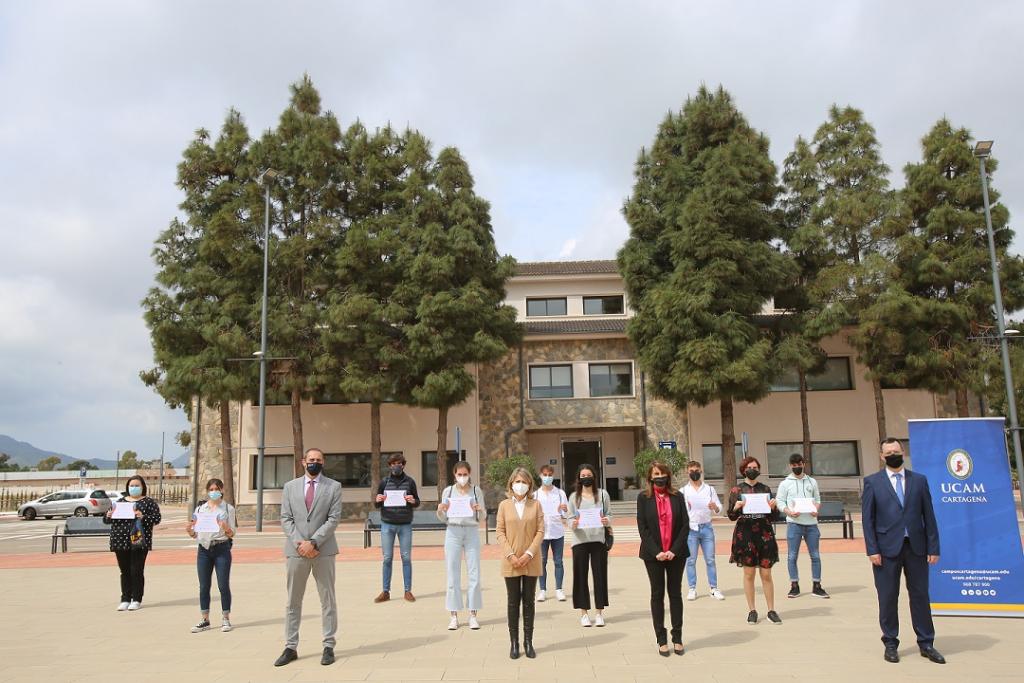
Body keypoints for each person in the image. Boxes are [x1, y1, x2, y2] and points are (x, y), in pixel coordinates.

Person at [862, 437, 944, 665]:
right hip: (885, 550)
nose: (893, 455)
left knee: (920, 596)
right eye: (888, 453)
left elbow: (929, 516)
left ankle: (926, 643)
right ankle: (890, 642)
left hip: (916, 548)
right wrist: (872, 549)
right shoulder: (872, 482)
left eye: (896, 451)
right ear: (882, 456)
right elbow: (868, 520)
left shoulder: (919, 480)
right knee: (888, 596)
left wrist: (933, 547)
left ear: (903, 452)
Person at [275, 448, 343, 668]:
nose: (315, 462)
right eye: (311, 459)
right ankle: (290, 646)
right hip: (296, 552)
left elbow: (333, 519)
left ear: (324, 462)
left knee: (328, 600)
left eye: (319, 460)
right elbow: (286, 518)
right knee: (293, 601)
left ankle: (328, 645)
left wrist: (313, 542)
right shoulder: (290, 487)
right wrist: (301, 543)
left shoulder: (333, 487)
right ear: (303, 462)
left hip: (323, 550)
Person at [637, 461, 690, 656]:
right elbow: (642, 527)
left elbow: (685, 525)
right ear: (650, 477)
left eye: (662, 474)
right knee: (657, 594)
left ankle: (677, 637)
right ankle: (661, 638)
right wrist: (656, 551)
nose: (659, 477)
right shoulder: (643, 498)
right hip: (654, 555)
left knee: (675, 594)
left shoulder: (677, 496)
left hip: (676, 554)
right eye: (656, 474)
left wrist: (674, 550)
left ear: (667, 476)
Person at [727, 455, 782, 625]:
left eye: (756, 468)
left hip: (764, 533)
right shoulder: (736, 490)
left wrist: (774, 508)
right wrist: (736, 507)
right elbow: (731, 516)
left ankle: (771, 610)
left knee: (766, 573)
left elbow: (773, 517)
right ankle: (752, 610)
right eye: (749, 468)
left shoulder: (765, 488)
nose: (753, 470)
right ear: (743, 470)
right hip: (745, 534)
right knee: (749, 573)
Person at [495, 467, 544, 659]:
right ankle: (514, 643)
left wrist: (529, 554)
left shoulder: (536, 505)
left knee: (529, 601)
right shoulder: (504, 505)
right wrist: (511, 555)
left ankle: (528, 642)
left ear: (529, 485)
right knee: (513, 602)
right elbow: (500, 532)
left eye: (524, 482)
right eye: (517, 481)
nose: (520, 485)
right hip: (511, 561)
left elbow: (540, 531)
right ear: (511, 484)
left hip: (531, 560)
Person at [436, 460, 485, 630]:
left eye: (465, 474)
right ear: (454, 474)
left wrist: (479, 509)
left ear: (469, 474)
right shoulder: (448, 491)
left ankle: (473, 614)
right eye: (459, 474)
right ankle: (454, 615)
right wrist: (440, 509)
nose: (462, 477)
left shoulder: (476, 491)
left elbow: (483, 516)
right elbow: (443, 518)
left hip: (471, 532)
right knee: (452, 573)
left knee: (474, 573)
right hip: (453, 532)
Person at [103, 475, 161, 611]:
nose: (134, 488)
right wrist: (108, 516)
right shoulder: (120, 502)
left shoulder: (149, 502)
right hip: (120, 540)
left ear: (143, 487)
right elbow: (106, 520)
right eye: (131, 485)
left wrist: (143, 516)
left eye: (137, 485)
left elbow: (157, 518)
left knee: (136, 570)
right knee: (124, 571)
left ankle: (136, 599)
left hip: (138, 541)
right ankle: (125, 599)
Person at [186, 478, 237, 633]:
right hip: (204, 550)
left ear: (222, 490)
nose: (214, 492)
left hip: (221, 548)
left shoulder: (228, 509)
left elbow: (232, 533)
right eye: (211, 489)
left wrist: (226, 528)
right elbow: (196, 533)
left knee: (223, 585)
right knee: (204, 586)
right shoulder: (200, 509)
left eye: (217, 489)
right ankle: (205, 619)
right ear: (207, 491)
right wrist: (190, 531)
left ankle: (226, 618)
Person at [776, 453, 829, 599]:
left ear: (803, 464)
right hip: (794, 524)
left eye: (799, 464)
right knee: (792, 556)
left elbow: (818, 500)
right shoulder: (785, 483)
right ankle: (794, 585)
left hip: (811, 524)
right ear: (790, 466)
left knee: (815, 556)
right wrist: (789, 512)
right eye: (794, 465)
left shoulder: (812, 481)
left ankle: (817, 585)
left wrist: (816, 510)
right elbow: (780, 501)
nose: (797, 467)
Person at [567, 463, 612, 627]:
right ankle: (584, 613)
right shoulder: (574, 497)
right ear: (579, 479)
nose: (586, 478)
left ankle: (599, 613)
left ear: (594, 476)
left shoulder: (603, 494)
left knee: (600, 576)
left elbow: (609, 514)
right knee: (580, 576)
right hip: (580, 541)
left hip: (598, 540)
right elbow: (569, 518)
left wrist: (607, 521)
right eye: (583, 476)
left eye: (589, 475)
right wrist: (573, 523)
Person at [373, 453, 420, 603]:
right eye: (393, 463)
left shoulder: (410, 482)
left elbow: (417, 501)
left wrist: (413, 500)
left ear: (403, 465)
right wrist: (378, 500)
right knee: (387, 558)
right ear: (389, 466)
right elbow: (377, 504)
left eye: (399, 463)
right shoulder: (384, 482)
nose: (396, 466)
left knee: (406, 558)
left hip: (405, 525)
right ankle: (385, 591)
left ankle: (408, 591)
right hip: (387, 524)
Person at [680, 459, 724, 601]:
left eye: (697, 471)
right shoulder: (683, 491)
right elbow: (679, 511)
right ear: (687, 472)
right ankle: (692, 588)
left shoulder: (709, 489)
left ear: (701, 471)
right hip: (691, 529)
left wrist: (715, 507)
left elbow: (719, 507)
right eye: (691, 471)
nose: (694, 473)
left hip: (706, 528)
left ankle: (713, 588)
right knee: (690, 560)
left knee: (710, 559)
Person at [532, 463, 569, 602]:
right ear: (540, 476)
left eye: (550, 475)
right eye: (545, 475)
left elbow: (566, 514)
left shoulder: (560, 493)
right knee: (542, 561)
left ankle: (559, 589)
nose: (547, 477)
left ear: (553, 476)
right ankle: (542, 590)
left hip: (557, 532)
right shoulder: (535, 495)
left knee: (558, 561)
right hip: (541, 533)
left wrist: (565, 510)